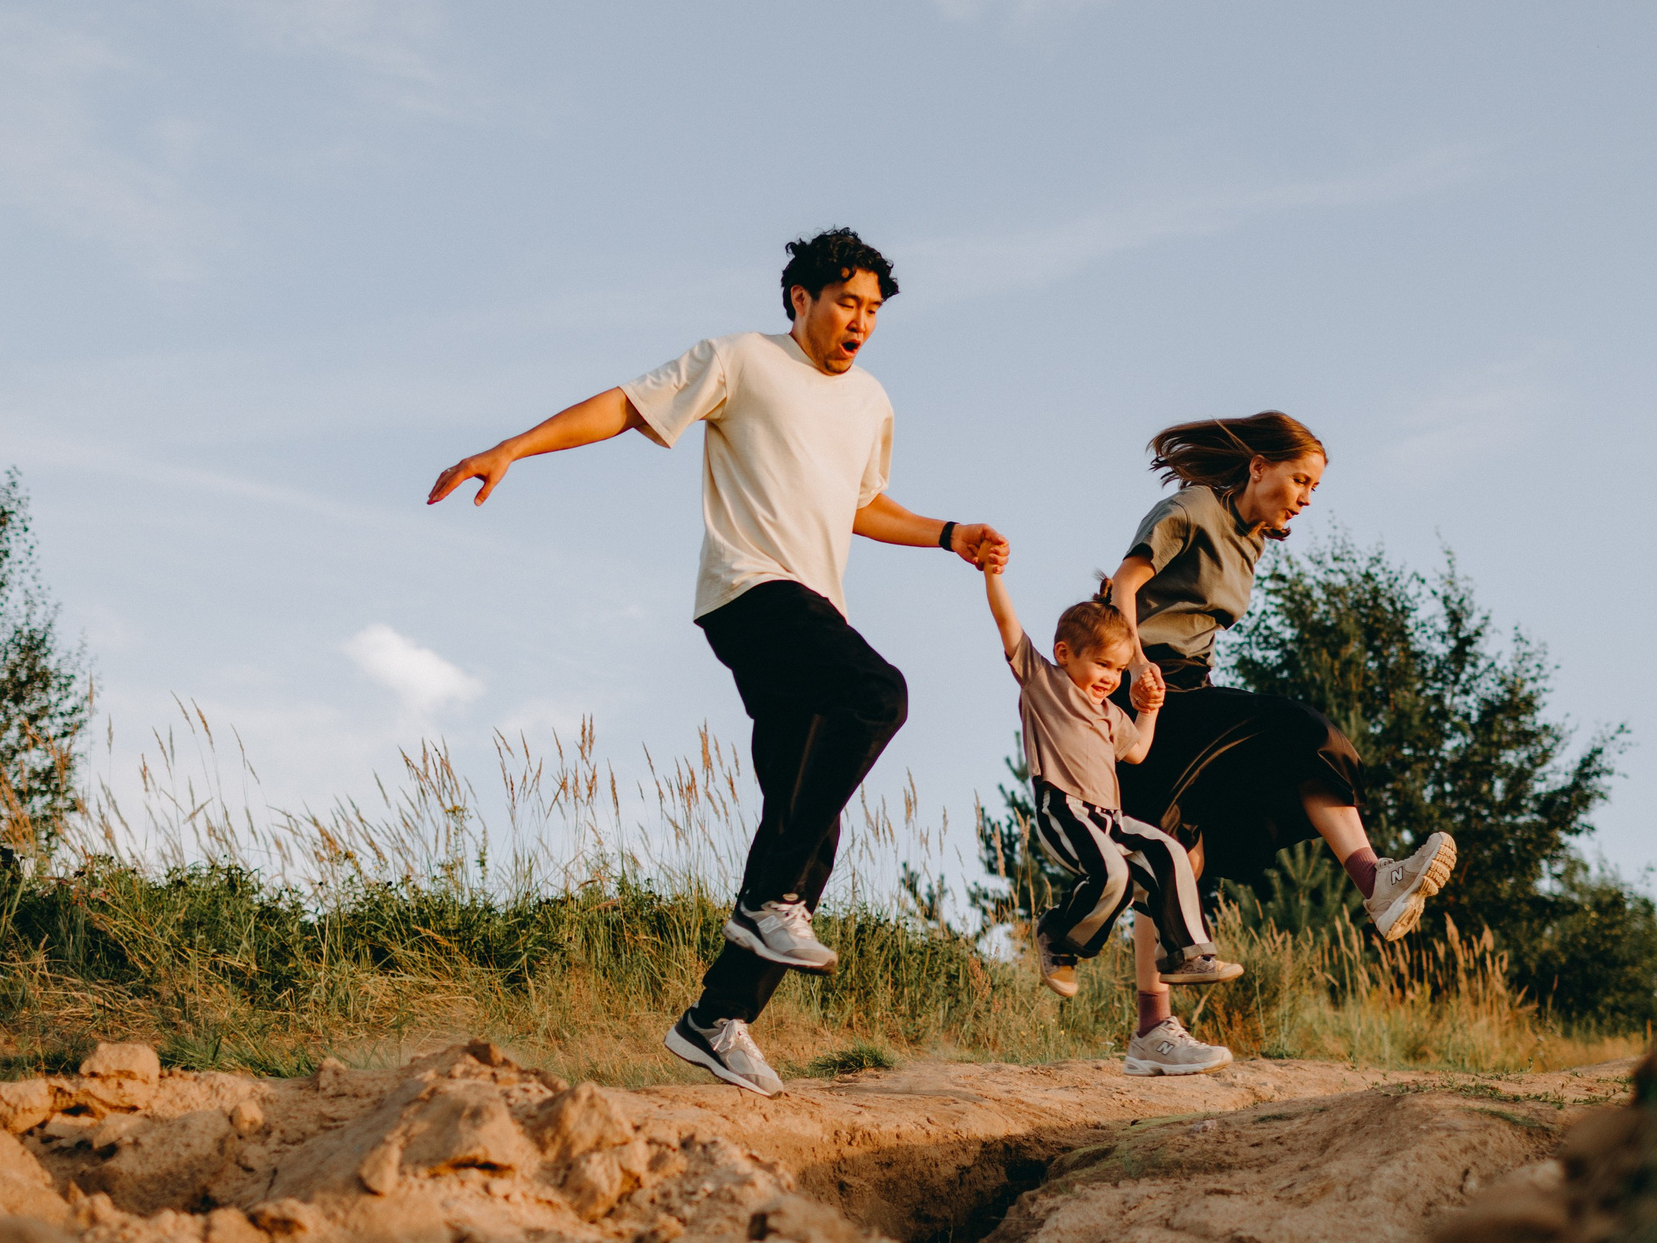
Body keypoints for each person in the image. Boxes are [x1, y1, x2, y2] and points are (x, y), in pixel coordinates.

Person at [426, 228, 1007, 1098]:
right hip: (751, 594)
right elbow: (627, 406)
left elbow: (860, 504)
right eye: (847, 302)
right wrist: (512, 447)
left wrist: (948, 535)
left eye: (874, 310)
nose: (862, 322)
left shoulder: (871, 402)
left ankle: (714, 1020)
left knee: (813, 833)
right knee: (878, 693)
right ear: (801, 300)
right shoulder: (741, 359)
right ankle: (764, 905)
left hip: (815, 609)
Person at [1105, 413, 1457, 940]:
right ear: (1258, 467)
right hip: (1148, 685)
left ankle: (1153, 1020)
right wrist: (1134, 668)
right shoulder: (1193, 507)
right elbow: (1123, 586)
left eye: (1314, 487)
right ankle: (1376, 879)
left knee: (1179, 848)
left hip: (1190, 686)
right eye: (1300, 480)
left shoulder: (1253, 541)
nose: (1307, 497)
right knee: (1301, 732)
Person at [981, 570, 1241, 1077]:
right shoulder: (1042, 682)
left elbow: (1139, 751)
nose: (1111, 678)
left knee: (1166, 851)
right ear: (1063, 653)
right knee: (1114, 877)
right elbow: (1007, 622)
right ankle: (1057, 936)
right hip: (1064, 809)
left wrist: (1149, 709)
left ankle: (1187, 953)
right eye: (1102, 664)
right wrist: (994, 576)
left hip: (1109, 816)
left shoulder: (1109, 713)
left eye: (1119, 670)